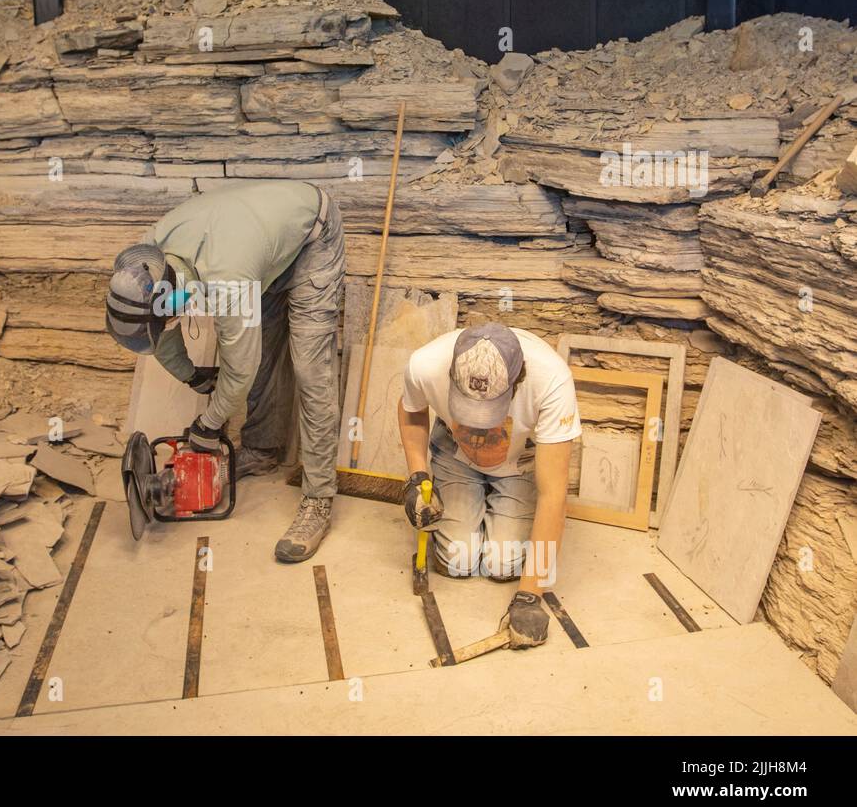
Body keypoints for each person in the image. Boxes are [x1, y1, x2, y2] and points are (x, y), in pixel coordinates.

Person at [105, 180, 345, 562]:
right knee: (263, 350)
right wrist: (192, 375)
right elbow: (161, 330)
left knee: (309, 367)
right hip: (254, 247)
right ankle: (263, 450)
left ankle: (318, 500)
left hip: (312, 237)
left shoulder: (228, 282)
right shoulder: (147, 263)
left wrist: (209, 424)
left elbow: (240, 368)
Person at [397, 322, 579, 648]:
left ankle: (501, 497)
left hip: (518, 462)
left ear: (517, 380)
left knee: (504, 563)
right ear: (451, 373)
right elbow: (411, 409)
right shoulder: (426, 364)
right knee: (458, 560)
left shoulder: (551, 380)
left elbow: (554, 494)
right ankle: (471, 491)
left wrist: (529, 597)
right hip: (456, 454)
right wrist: (417, 477)